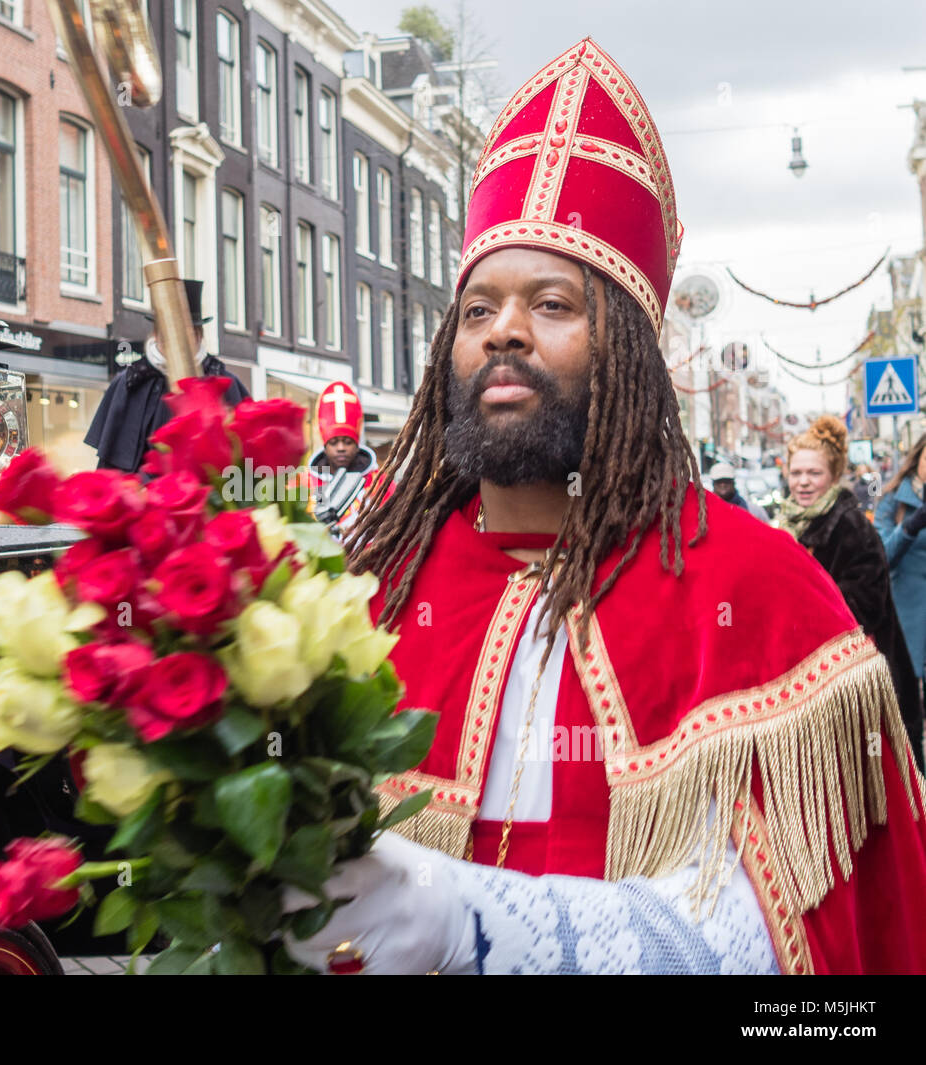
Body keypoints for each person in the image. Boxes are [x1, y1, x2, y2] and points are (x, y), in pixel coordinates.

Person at [283, 38, 926, 975]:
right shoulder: (370, 591)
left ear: (623, 347)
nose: (503, 328)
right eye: (477, 310)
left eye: (551, 303)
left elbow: (782, 949)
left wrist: (481, 923)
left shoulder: (758, 588)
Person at [779, 416, 923, 769]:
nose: (803, 482)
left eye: (814, 473)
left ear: (834, 475)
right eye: (796, 473)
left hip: (859, 688)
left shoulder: (850, 527)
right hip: (812, 683)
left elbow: (863, 608)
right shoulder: (787, 526)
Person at [84, 280, 249, 473]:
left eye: (185, 334)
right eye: (170, 333)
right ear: (156, 333)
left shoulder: (225, 384)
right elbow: (109, 468)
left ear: (198, 336)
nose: (177, 343)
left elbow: (242, 467)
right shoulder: (128, 383)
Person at [874, 435, 926, 751]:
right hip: (908, 619)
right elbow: (882, 556)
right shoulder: (894, 499)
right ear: (918, 456)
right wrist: (910, 527)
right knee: (908, 712)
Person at [305, 381, 378, 536]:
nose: (341, 448)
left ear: (357, 445)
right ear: (324, 446)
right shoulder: (306, 484)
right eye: (333, 442)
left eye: (347, 442)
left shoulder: (379, 483)